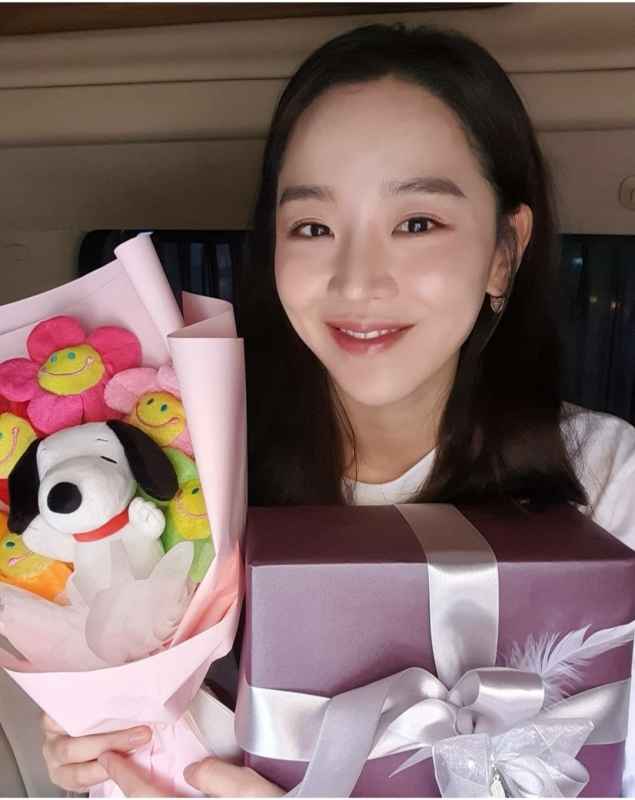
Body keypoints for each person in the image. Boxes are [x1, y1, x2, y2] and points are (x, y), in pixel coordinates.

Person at [39, 22, 635, 797]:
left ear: (502, 251)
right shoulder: (178, 467)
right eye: (313, 227)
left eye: (416, 223)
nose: (356, 281)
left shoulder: (609, 481)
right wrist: (95, 750)